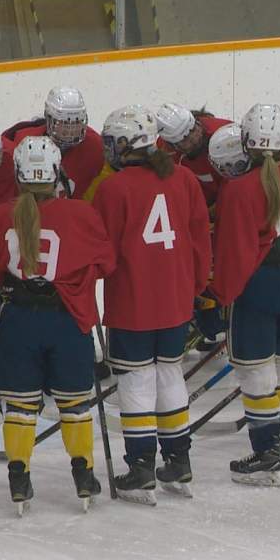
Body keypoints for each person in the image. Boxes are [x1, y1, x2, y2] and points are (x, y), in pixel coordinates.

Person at [0, 136, 116, 513]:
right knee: (74, 403)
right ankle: (83, 475)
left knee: (20, 407)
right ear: (56, 173)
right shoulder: (81, 215)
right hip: (67, 319)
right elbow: (106, 264)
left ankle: (19, 479)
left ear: (19, 175)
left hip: (18, 321)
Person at [92, 106, 211, 504]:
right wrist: (193, 287)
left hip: (132, 304)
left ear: (126, 145)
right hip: (176, 302)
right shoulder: (185, 179)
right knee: (170, 376)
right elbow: (200, 240)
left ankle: (141, 467)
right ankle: (179, 461)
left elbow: (103, 253)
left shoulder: (113, 188)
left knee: (136, 381)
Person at [210, 104, 280, 487]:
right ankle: (275, 447)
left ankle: (267, 450)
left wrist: (221, 294)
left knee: (255, 370)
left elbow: (233, 253)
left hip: (259, 285)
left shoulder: (239, 190)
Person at [153, 102, 231, 353]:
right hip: (197, 216)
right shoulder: (164, 151)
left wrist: (210, 214)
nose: (193, 138)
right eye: (184, 139)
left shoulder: (224, 135)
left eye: (193, 130)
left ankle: (222, 316)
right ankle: (199, 320)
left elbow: (241, 187)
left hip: (229, 212)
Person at [1, 86, 104, 200]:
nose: (70, 131)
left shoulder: (95, 146)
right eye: (63, 123)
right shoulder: (25, 142)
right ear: (48, 119)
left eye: (76, 123)